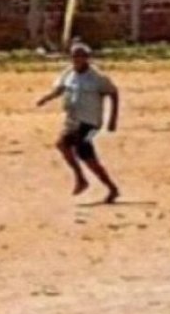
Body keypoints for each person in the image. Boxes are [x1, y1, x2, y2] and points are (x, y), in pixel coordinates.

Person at [35, 42, 121, 203]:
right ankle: (90, 181)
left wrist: (112, 119)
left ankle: (98, 184)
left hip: (91, 123)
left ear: (87, 58)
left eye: (81, 56)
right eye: (74, 56)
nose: (77, 59)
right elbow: (60, 89)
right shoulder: (68, 73)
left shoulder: (97, 78)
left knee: (77, 149)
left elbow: (113, 93)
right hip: (73, 121)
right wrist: (46, 98)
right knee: (70, 148)